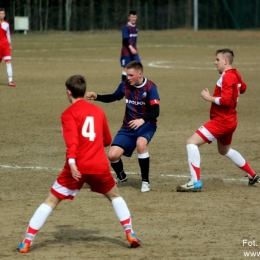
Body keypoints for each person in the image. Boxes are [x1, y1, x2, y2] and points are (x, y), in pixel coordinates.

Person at [17, 75, 141, 253]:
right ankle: (130, 233)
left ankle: (26, 241)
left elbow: (72, 142)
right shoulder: (98, 112)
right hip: (99, 164)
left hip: (77, 165)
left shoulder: (68, 114)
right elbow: (107, 139)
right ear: (84, 91)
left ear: (69, 92)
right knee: (115, 196)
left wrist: (73, 162)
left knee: (50, 201)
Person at [177, 48, 259, 192]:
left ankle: (195, 182)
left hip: (222, 120)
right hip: (231, 120)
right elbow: (243, 88)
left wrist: (209, 98)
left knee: (191, 142)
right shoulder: (235, 74)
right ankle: (252, 175)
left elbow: (227, 100)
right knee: (224, 150)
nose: (215, 62)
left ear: (225, 61)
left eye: (217, 60)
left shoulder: (228, 76)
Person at [87, 61, 160, 193]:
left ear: (140, 73)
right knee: (112, 156)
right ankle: (121, 176)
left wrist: (142, 120)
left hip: (147, 124)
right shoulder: (125, 85)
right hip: (128, 126)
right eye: (127, 75)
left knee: (141, 144)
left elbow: (156, 111)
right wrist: (97, 97)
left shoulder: (150, 87)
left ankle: (145, 182)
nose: (128, 78)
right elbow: (114, 97)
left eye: (131, 75)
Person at [120, 10, 140, 82]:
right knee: (126, 68)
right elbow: (125, 40)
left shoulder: (136, 27)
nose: (133, 18)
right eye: (132, 17)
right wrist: (131, 48)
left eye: (134, 17)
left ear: (136, 17)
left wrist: (134, 48)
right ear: (129, 17)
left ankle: (136, 84)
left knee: (138, 66)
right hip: (126, 52)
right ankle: (124, 86)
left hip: (134, 51)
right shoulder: (126, 27)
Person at [0, 8, 15, 87]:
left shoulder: (6, 24)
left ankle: (10, 81)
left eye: (3, 13)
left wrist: (9, 44)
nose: (1, 15)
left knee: (8, 62)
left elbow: (8, 34)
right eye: (0, 13)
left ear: (4, 15)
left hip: (5, 46)